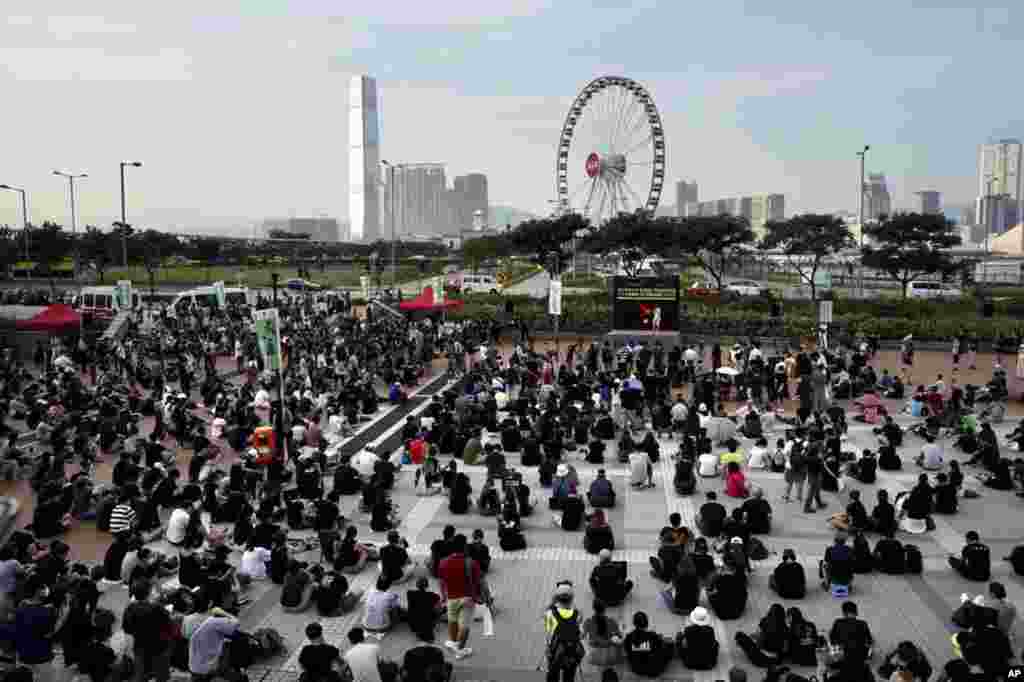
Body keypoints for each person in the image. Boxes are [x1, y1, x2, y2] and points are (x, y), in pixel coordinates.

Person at [122, 578, 173, 682]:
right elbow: (169, 626)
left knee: (141, 674)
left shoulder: (129, 609)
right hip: (159, 647)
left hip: (140, 647)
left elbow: (127, 630)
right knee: (162, 675)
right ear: (149, 592)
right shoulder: (157, 608)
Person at [438, 534, 480, 660]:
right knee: (464, 627)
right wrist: (480, 597)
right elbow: (478, 581)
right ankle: (460, 650)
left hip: (451, 597)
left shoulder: (443, 562)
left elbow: (441, 581)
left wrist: (443, 596)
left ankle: (453, 642)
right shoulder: (471, 563)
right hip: (467, 598)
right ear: (464, 547)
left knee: (452, 620)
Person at [188, 602, 241, 682]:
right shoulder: (213, 621)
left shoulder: (195, 620)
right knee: (230, 644)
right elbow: (236, 623)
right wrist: (223, 612)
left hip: (194, 668)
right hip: (208, 668)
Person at [544, 583, 585, 682]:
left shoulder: (550, 613)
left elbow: (548, 633)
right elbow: (580, 633)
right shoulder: (578, 613)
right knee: (569, 676)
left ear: (557, 597)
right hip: (572, 651)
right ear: (571, 598)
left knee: (553, 675)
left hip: (556, 651)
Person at [623, 611, 672, 678]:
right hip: (654, 670)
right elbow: (660, 647)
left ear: (634, 623)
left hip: (637, 669)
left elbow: (627, 651)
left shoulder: (628, 637)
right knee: (669, 645)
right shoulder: (653, 636)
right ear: (647, 623)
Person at [828, 601, 874, 670]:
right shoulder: (863, 624)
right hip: (859, 659)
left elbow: (832, 640)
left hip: (842, 659)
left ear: (844, 613)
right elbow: (869, 641)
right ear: (856, 612)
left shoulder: (838, 622)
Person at [582, 598, 623, 667]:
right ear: (605, 608)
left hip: (594, 657)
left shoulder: (588, 622)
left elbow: (582, 636)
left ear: (593, 608)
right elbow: (619, 636)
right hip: (610, 657)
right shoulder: (611, 621)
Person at [406, 577, 444, 643]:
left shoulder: (410, 594)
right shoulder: (434, 596)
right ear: (427, 586)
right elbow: (438, 609)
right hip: (428, 623)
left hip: (413, 624)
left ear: (416, 585)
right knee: (442, 609)